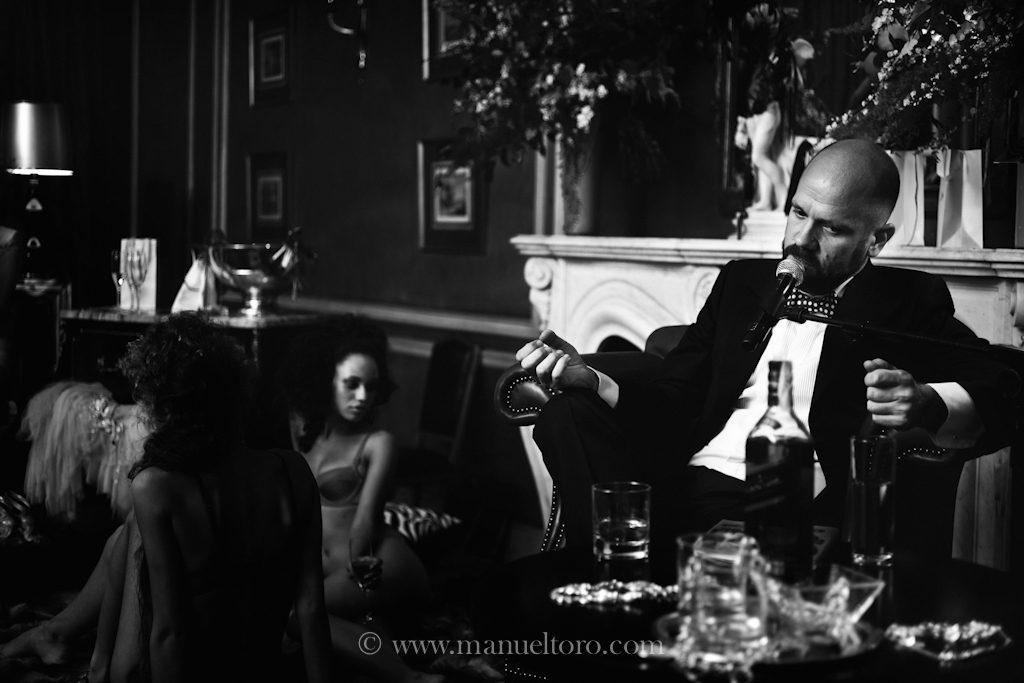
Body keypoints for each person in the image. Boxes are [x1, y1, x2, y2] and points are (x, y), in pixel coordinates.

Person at [517, 138, 1017, 547]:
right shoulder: (741, 282)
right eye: (798, 213)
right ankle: (610, 577)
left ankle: (635, 580)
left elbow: (1005, 379)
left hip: (792, 495)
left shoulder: (908, 300)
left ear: (877, 240)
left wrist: (929, 402)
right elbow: (674, 392)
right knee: (567, 413)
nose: (802, 239)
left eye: (832, 228)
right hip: (690, 476)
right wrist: (592, 379)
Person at [90, 313, 333, 683]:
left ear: (165, 409)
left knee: (130, 530)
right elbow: (312, 608)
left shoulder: (157, 487)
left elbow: (170, 634)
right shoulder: (293, 471)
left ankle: (93, 663)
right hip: (263, 669)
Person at [278, 317, 442, 683]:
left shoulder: (378, 443)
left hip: (375, 561)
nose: (363, 396)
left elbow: (365, 520)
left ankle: (415, 680)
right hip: (328, 569)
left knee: (300, 616)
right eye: (351, 384)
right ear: (325, 381)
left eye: (371, 386)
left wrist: (358, 564)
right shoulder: (303, 431)